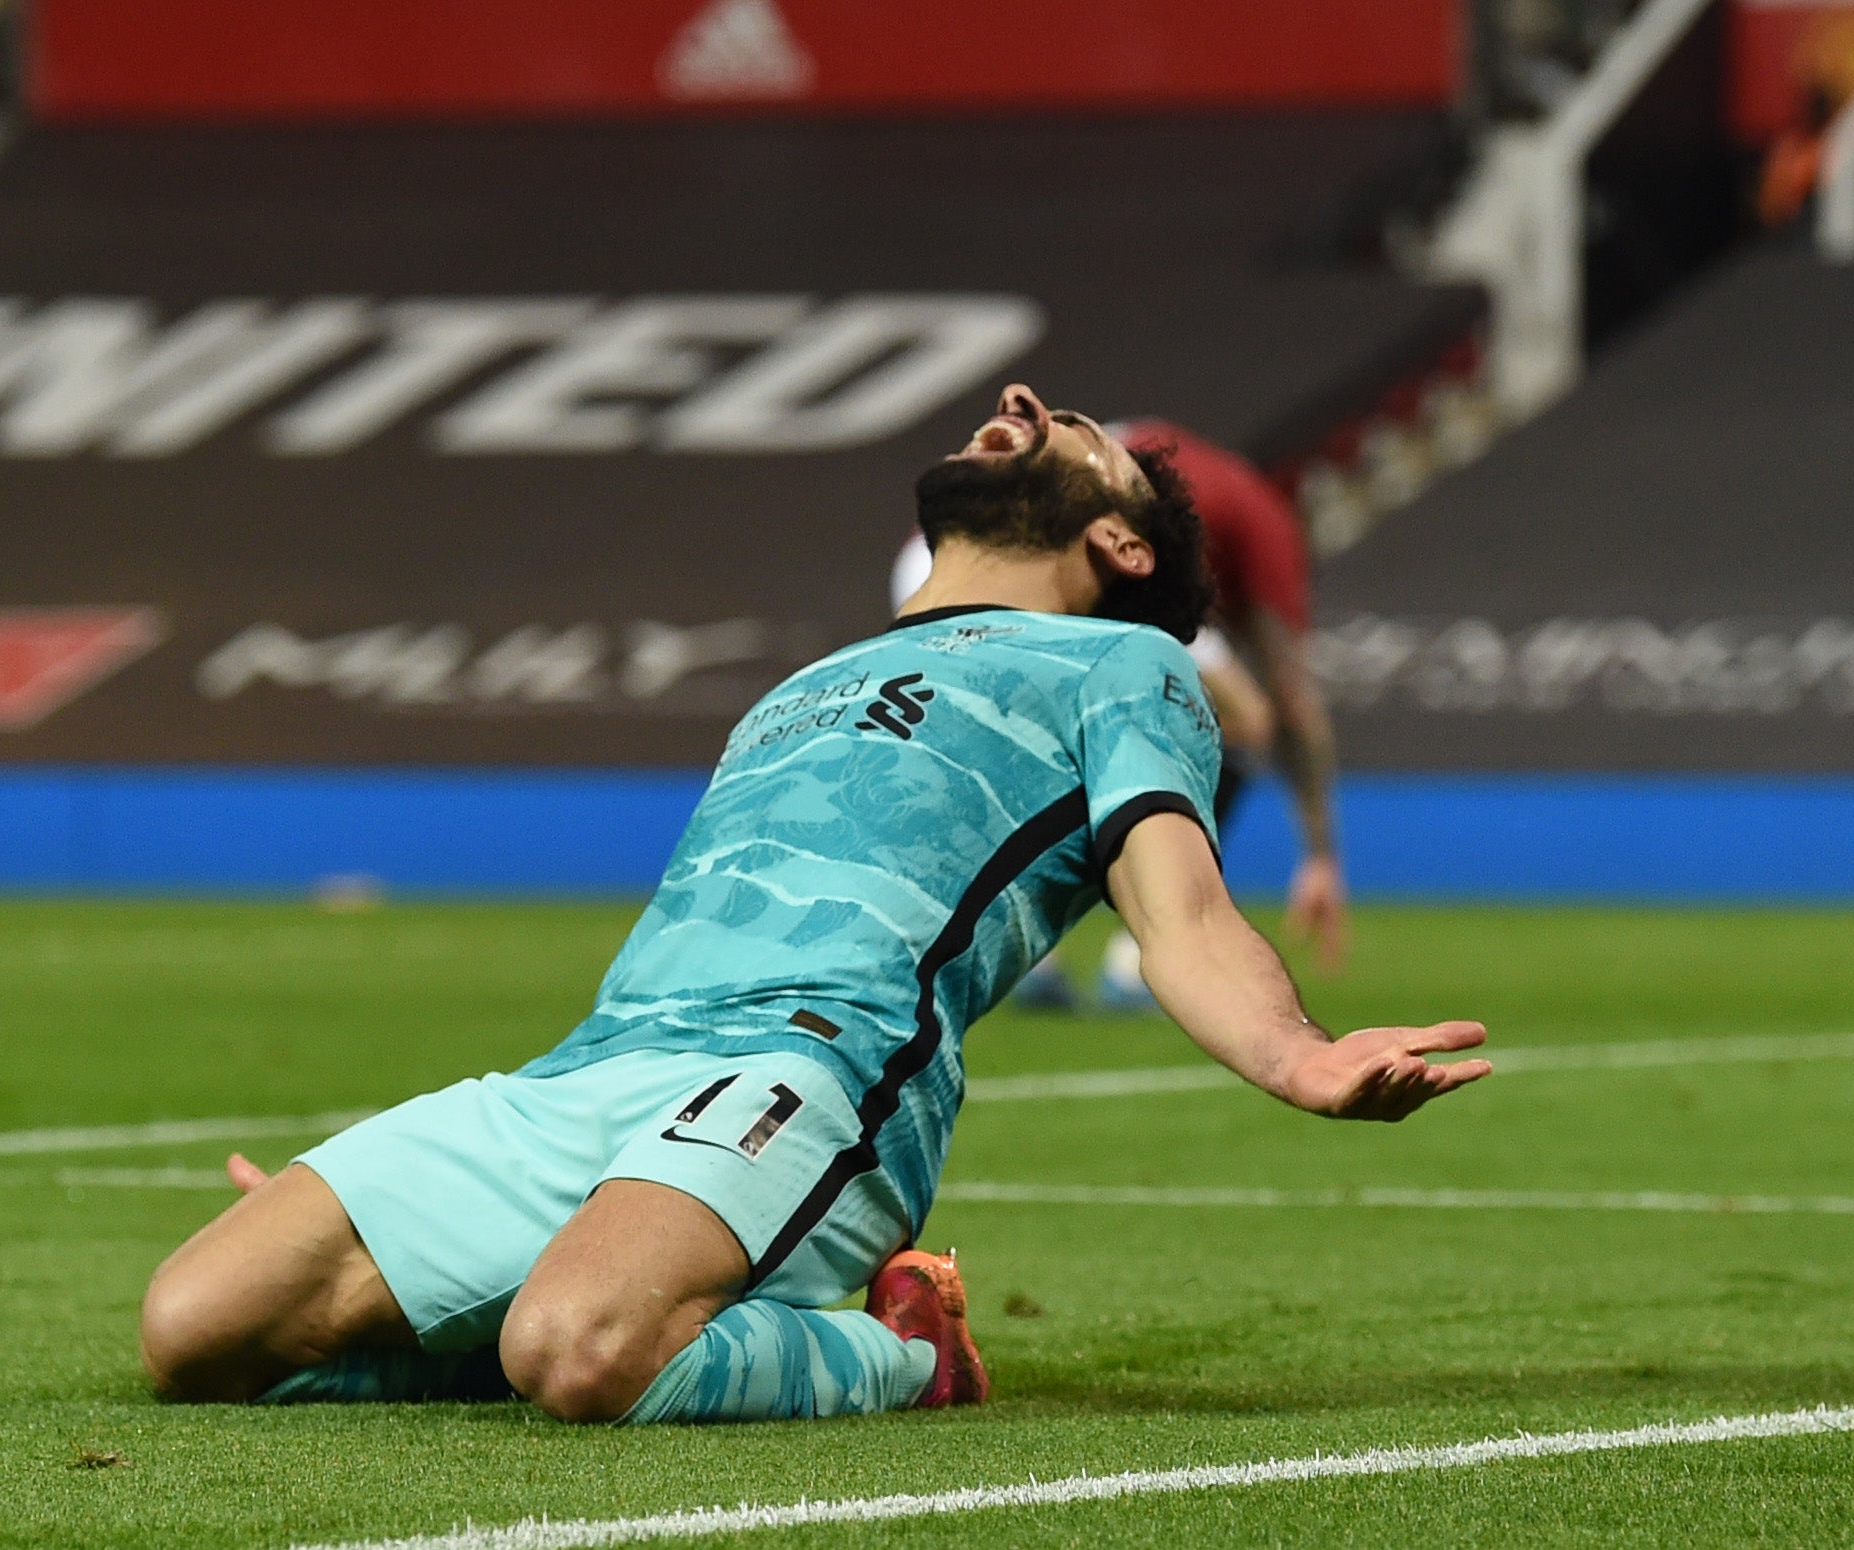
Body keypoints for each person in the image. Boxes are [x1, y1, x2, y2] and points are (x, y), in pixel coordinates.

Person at [138, 383, 1490, 1426]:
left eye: (1068, 429)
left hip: (815, 1064)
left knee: (577, 1349)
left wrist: (1297, 1054)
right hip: (591, 1067)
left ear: (1115, 539)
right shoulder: (802, 681)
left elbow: (1181, 915)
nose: (1019, 405)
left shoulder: (1119, 665)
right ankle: (509, 1299)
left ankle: (903, 1349)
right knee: (195, 1327)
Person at [892, 416, 1346, 1008]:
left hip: (930, 563)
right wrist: (1320, 855)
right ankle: (1149, 948)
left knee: (1015, 738)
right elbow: (1291, 701)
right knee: (1240, 720)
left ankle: (1021, 950)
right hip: (1061, 572)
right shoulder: (1260, 518)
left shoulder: (1147, 450)